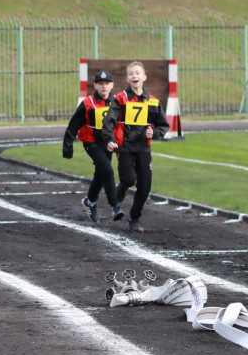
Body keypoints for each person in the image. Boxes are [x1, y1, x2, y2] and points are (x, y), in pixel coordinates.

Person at [102, 61, 170, 233]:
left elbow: (163, 125)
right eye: (131, 74)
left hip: (143, 149)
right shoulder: (120, 99)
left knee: (145, 185)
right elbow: (109, 121)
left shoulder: (152, 102)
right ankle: (117, 197)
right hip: (124, 146)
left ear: (144, 77)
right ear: (127, 78)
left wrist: (154, 134)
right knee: (128, 179)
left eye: (137, 73)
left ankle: (135, 218)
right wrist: (109, 139)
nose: (134, 76)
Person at [62, 70, 123, 223]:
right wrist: (68, 148)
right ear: (95, 85)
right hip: (91, 142)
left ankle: (89, 202)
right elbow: (73, 126)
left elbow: (121, 126)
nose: (104, 86)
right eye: (100, 84)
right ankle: (115, 206)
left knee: (101, 173)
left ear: (112, 85)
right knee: (108, 171)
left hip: (108, 143)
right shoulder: (88, 103)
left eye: (107, 83)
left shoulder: (116, 102)